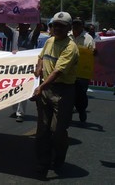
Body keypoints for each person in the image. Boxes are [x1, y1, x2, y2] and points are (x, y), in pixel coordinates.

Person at [32, 11, 79, 176]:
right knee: (43, 130)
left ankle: (59, 157)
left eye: (61, 26)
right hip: (46, 90)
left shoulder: (70, 47)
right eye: (54, 25)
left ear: (68, 28)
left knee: (57, 131)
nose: (56, 28)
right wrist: (39, 67)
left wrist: (41, 86)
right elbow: (41, 57)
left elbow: (58, 72)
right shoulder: (49, 41)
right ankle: (42, 164)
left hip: (62, 92)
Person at [69, 17, 95, 122]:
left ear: (82, 26)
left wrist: (94, 52)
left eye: (78, 24)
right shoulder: (66, 35)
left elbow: (93, 53)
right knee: (68, 93)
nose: (76, 26)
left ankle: (81, 109)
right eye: (74, 23)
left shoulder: (88, 38)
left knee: (81, 94)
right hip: (68, 70)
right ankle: (67, 114)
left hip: (82, 72)